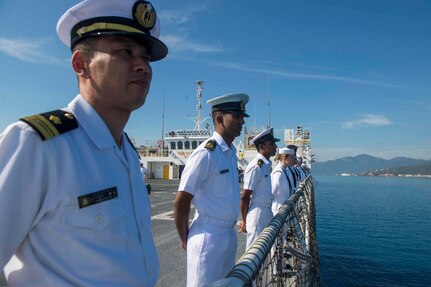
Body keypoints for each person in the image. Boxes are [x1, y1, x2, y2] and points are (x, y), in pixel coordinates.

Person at [0, 0, 167, 286]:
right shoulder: (38, 144)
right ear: (81, 64)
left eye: (147, 58)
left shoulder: (126, 150)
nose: (143, 66)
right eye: (125, 51)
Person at [174, 93, 249, 287]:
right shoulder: (206, 154)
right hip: (208, 236)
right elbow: (181, 201)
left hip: (228, 235)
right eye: (237, 116)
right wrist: (185, 240)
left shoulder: (230, 153)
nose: (242, 121)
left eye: (242, 117)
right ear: (219, 119)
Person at [239, 127, 279, 250]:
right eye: (272, 144)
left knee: (266, 252)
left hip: (266, 211)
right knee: (254, 254)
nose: (275, 147)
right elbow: (245, 197)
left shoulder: (265, 166)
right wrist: (245, 222)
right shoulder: (256, 166)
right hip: (257, 214)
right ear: (261, 146)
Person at [271, 148, 296, 215]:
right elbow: (272, 192)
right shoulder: (278, 173)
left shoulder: (285, 171)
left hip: (285, 208)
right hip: (278, 210)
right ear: (285, 157)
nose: (293, 159)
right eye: (291, 157)